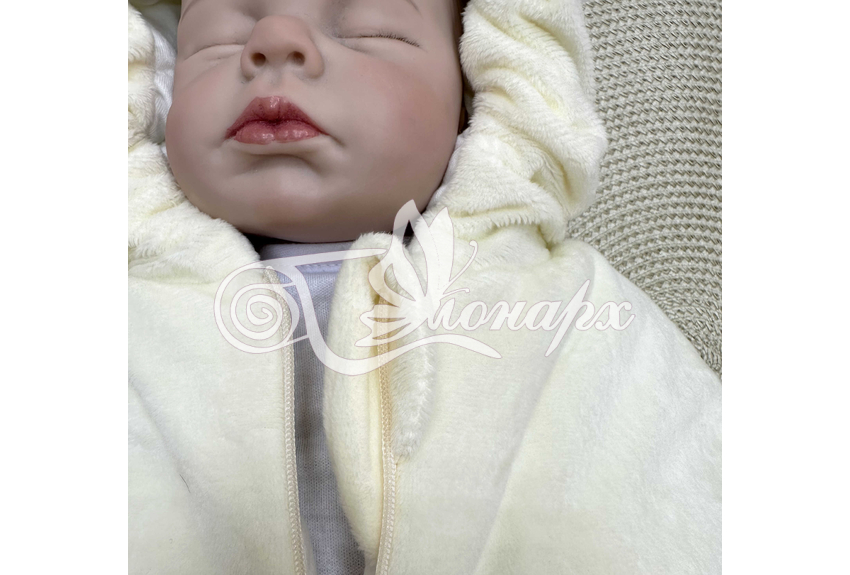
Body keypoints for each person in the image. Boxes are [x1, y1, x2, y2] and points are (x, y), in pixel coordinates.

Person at [128, 0, 721, 573]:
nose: (274, 41)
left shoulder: (572, 309)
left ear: (477, 99)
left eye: (372, 28)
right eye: (219, 39)